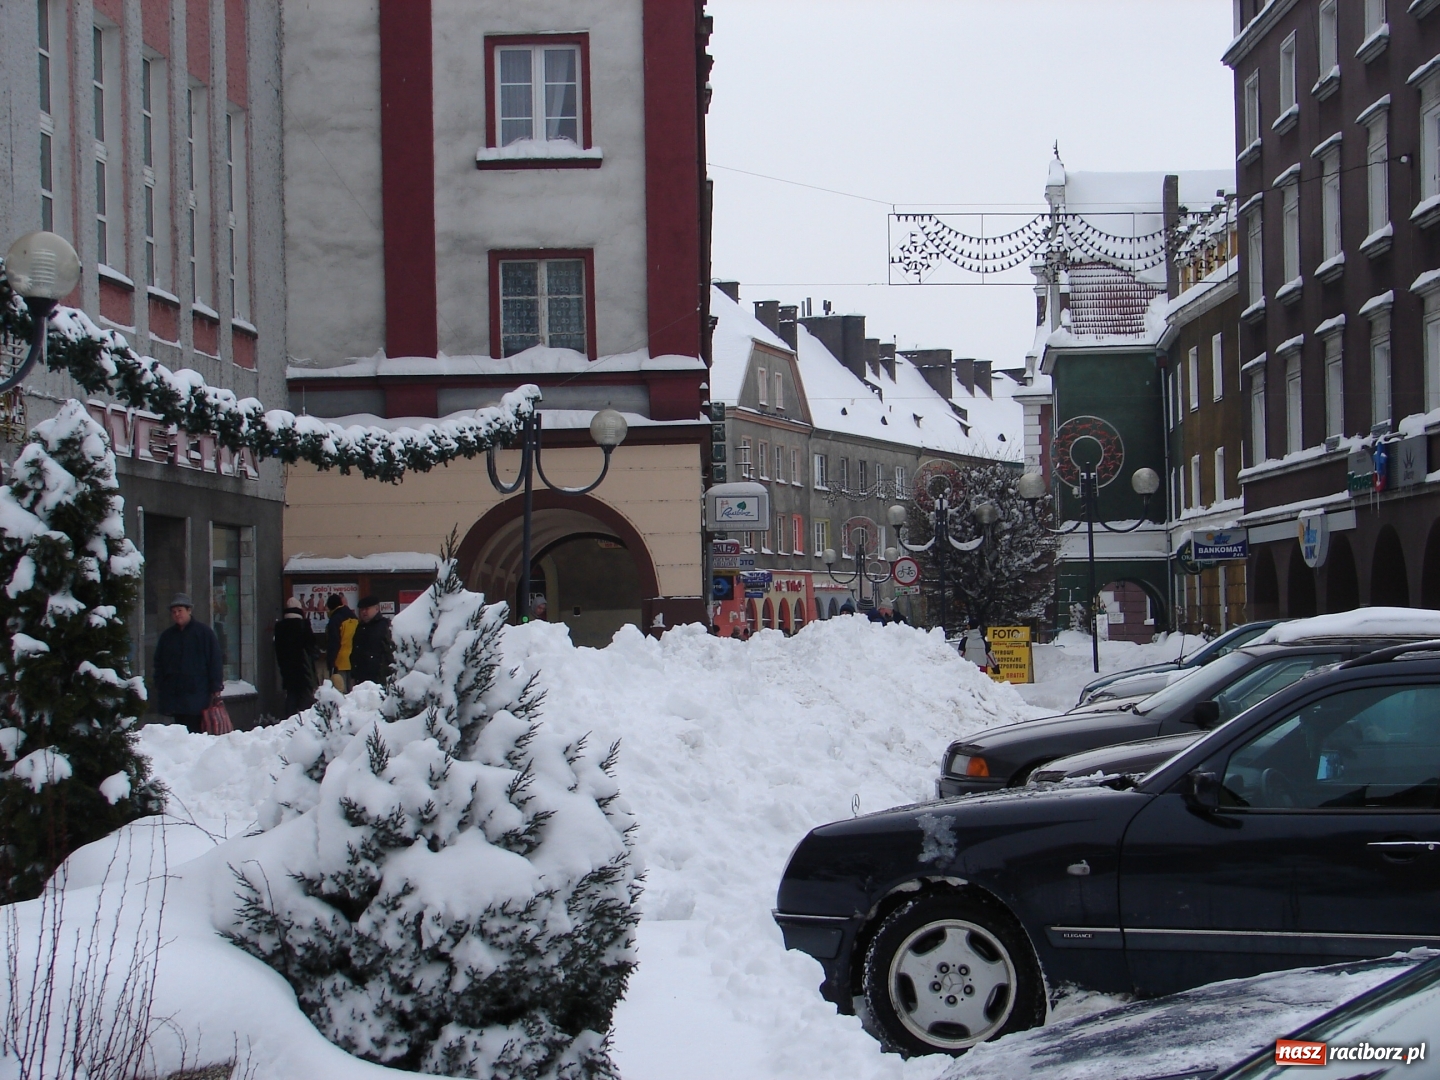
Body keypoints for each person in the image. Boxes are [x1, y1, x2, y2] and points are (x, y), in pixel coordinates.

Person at [153, 593, 223, 733]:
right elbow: (159, 662)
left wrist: (215, 686)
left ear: (189, 610)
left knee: (195, 732)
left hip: (197, 693)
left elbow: (215, 660)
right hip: (173, 695)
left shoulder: (204, 633)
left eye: (180, 611)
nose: (177, 615)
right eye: (174, 612)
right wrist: (160, 683)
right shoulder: (167, 636)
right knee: (177, 732)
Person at [273, 597, 318, 717]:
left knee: (291, 695)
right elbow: (311, 647)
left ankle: (289, 720)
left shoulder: (280, 627)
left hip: (287, 669)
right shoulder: (303, 625)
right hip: (303, 668)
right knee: (305, 697)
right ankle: (304, 720)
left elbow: (278, 649)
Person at [350, 595, 394, 687]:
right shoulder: (360, 627)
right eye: (362, 610)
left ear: (377, 608)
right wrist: (353, 674)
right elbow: (355, 651)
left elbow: (389, 652)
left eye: (367, 609)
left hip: (378, 677)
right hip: (361, 676)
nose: (364, 612)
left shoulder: (384, 626)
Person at [325, 593, 359, 692]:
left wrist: (330, 661)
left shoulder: (335, 619)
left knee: (340, 691)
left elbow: (334, 642)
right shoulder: (354, 617)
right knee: (352, 693)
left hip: (339, 661)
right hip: (353, 660)